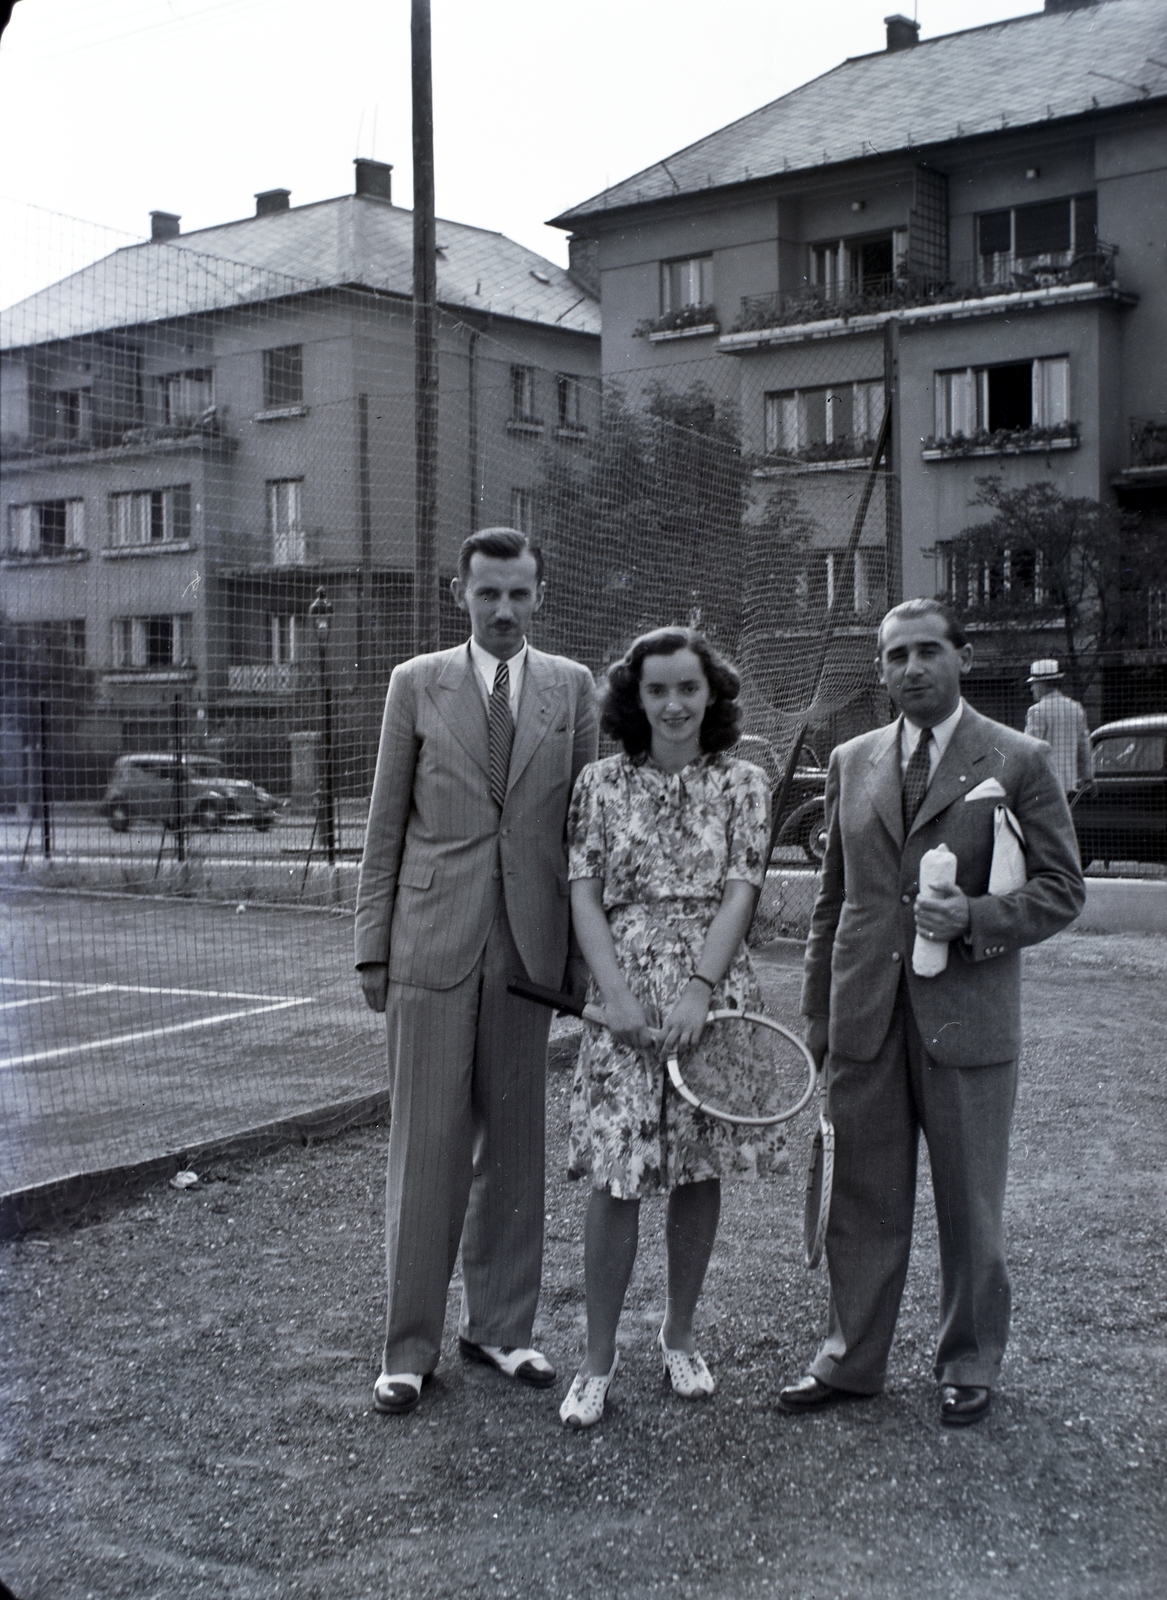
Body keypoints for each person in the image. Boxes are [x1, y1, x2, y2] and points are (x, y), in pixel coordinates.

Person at [779, 599, 1085, 1428]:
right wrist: (818, 1010)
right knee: (861, 1198)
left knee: (968, 1201)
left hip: (967, 1017)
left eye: (924, 652)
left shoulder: (1016, 758)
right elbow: (832, 901)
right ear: (879, 670)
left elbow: (1062, 888)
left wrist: (976, 923)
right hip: (864, 1015)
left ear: (960, 655)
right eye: (892, 657)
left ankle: (968, 1362)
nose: (908, 669)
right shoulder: (850, 759)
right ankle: (850, 1361)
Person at [355, 528, 597, 1415]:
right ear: (458, 592)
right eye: (488, 593)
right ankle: (408, 1347)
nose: (503, 611)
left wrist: (576, 957)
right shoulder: (415, 684)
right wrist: (372, 945)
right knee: (427, 1149)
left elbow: (582, 835)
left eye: (520, 595)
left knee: (518, 1146)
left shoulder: (571, 690)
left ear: (539, 596)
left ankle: (501, 1326)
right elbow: (384, 826)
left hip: (528, 949)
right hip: (428, 939)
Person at [558, 627, 781, 1429]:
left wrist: (697, 990)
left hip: (710, 993)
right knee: (618, 1175)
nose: (674, 704)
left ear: (710, 694)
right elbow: (584, 894)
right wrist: (612, 997)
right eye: (657, 690)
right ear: (635, 697)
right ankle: (595, 1359)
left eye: (688, 688)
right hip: (622, 990)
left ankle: (679, 1334)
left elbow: (740, 892)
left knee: (694, 1167)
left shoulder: (744, 782)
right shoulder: (598, 783)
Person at [1024, 658, 1093, 798]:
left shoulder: (1036, 711)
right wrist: (1088, 777)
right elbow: (1084, 746)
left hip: (1043, 785)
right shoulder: (1076, 708)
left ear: (1043, 684)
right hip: (1069, 784)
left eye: (1034, 684)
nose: (1032, 688)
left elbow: (1029, 748)